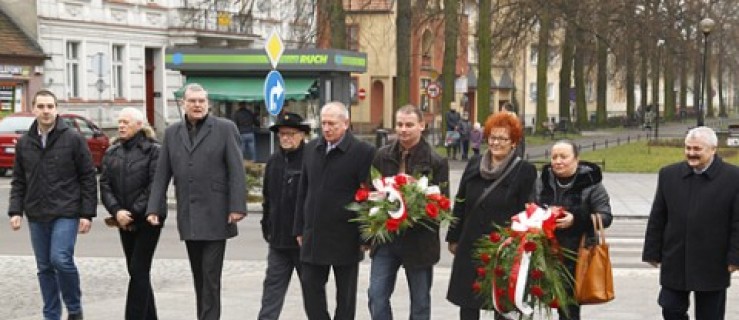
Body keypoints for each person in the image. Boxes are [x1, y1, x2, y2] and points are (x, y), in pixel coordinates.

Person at [146, 83, 247, 320]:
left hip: (217, 213)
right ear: (184, 104)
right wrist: (154, 208)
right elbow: (162, 174)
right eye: (192, 101)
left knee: (211, 277)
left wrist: (237, 206)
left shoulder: (225, 128)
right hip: (189, 214)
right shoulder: (172, 133)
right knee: (198, 275)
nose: (198, 105)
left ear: (208, 103)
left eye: (202, 101)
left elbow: (236, 170)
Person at [8, 89, 97, 320]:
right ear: (34, 109)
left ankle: (74, 309)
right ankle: (51, 314)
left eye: (50, 106)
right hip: (37, 212)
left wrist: (87, 213)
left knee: (61, 259)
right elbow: (18, 179)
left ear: (56, 109)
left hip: (66, 210)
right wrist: (15, 210)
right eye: (41, 106)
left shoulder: (73, 139)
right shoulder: (25, 142)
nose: (46, 111)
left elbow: (87, 176)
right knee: (45, 267)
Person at [445, 111, 537, 320]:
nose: (496, 143)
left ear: (513, 142)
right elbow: (460, 202)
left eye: (503, 138)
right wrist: (453, 237)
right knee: (468, 302)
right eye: (492, 138)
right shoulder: (474, 164)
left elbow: (529, 212)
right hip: (471, 244)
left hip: (504, 247)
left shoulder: (524, 171)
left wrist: (522, 245)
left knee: (503, 304)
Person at [642, 126, 739, 320]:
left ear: (713, 149)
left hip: (713, 260)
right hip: (675, 257)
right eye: (688, 148)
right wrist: (652, 251)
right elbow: (658, 217)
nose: (691, 153)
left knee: (710, 315)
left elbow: (738, 222)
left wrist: (735, 257)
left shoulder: (733, 177)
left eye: (697, 149)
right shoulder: (668, 174)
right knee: (670, 308)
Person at [293, 101, 375, 320]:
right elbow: (303, 190)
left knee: (346, 296)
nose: (327, 128)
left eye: (332, 124)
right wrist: (299, 227)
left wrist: (365, 235)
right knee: (310, 286)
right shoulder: (311, 148)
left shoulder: (363, 152)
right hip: (314, 233)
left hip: (346, 235)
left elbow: (369, 195)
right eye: (324, 123)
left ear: (346, 123)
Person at [368, 105, 449, 320]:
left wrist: (416, 201)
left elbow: (442, 204)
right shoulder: (382, 155)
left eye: (409, 125)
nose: (403, 130)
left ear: (422, 125)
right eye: (400, 124)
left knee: (420, 303)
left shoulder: (436, 161)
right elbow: (370, 192)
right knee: (376, 296)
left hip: (419, 240)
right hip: (387, 238)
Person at [99, 107, 164, 320]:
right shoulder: (112, 151)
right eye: (119, 122)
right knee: (137, 272)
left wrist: (133, 213)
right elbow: (105, 185)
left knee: (138, 269)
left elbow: (155, 186)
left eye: (126, 122)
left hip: (148, 219)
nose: (121, 126)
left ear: (139, 125)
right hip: (122, 219)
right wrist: (117, 212)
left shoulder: (154, 150)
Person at [538, 140, 613, 320]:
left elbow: (606, 216)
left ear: (576, 160)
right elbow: (532, 206)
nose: (558, 161)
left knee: (569, 307)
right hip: (545, 252)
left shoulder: (591, 183)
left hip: (578, 253)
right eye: (554, 157)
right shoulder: (543, 180)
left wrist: (577, 219)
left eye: (564, 157)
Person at [258, 112, 311, 320]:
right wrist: (267, 226)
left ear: (302, 135)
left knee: (312, 292)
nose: (286, 138)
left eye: (291, 133)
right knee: (271, 290)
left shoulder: (310, 159)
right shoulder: (274, 161)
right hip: (278, 241)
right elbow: (267, 197)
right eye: (282, 134)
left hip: (303, 241)